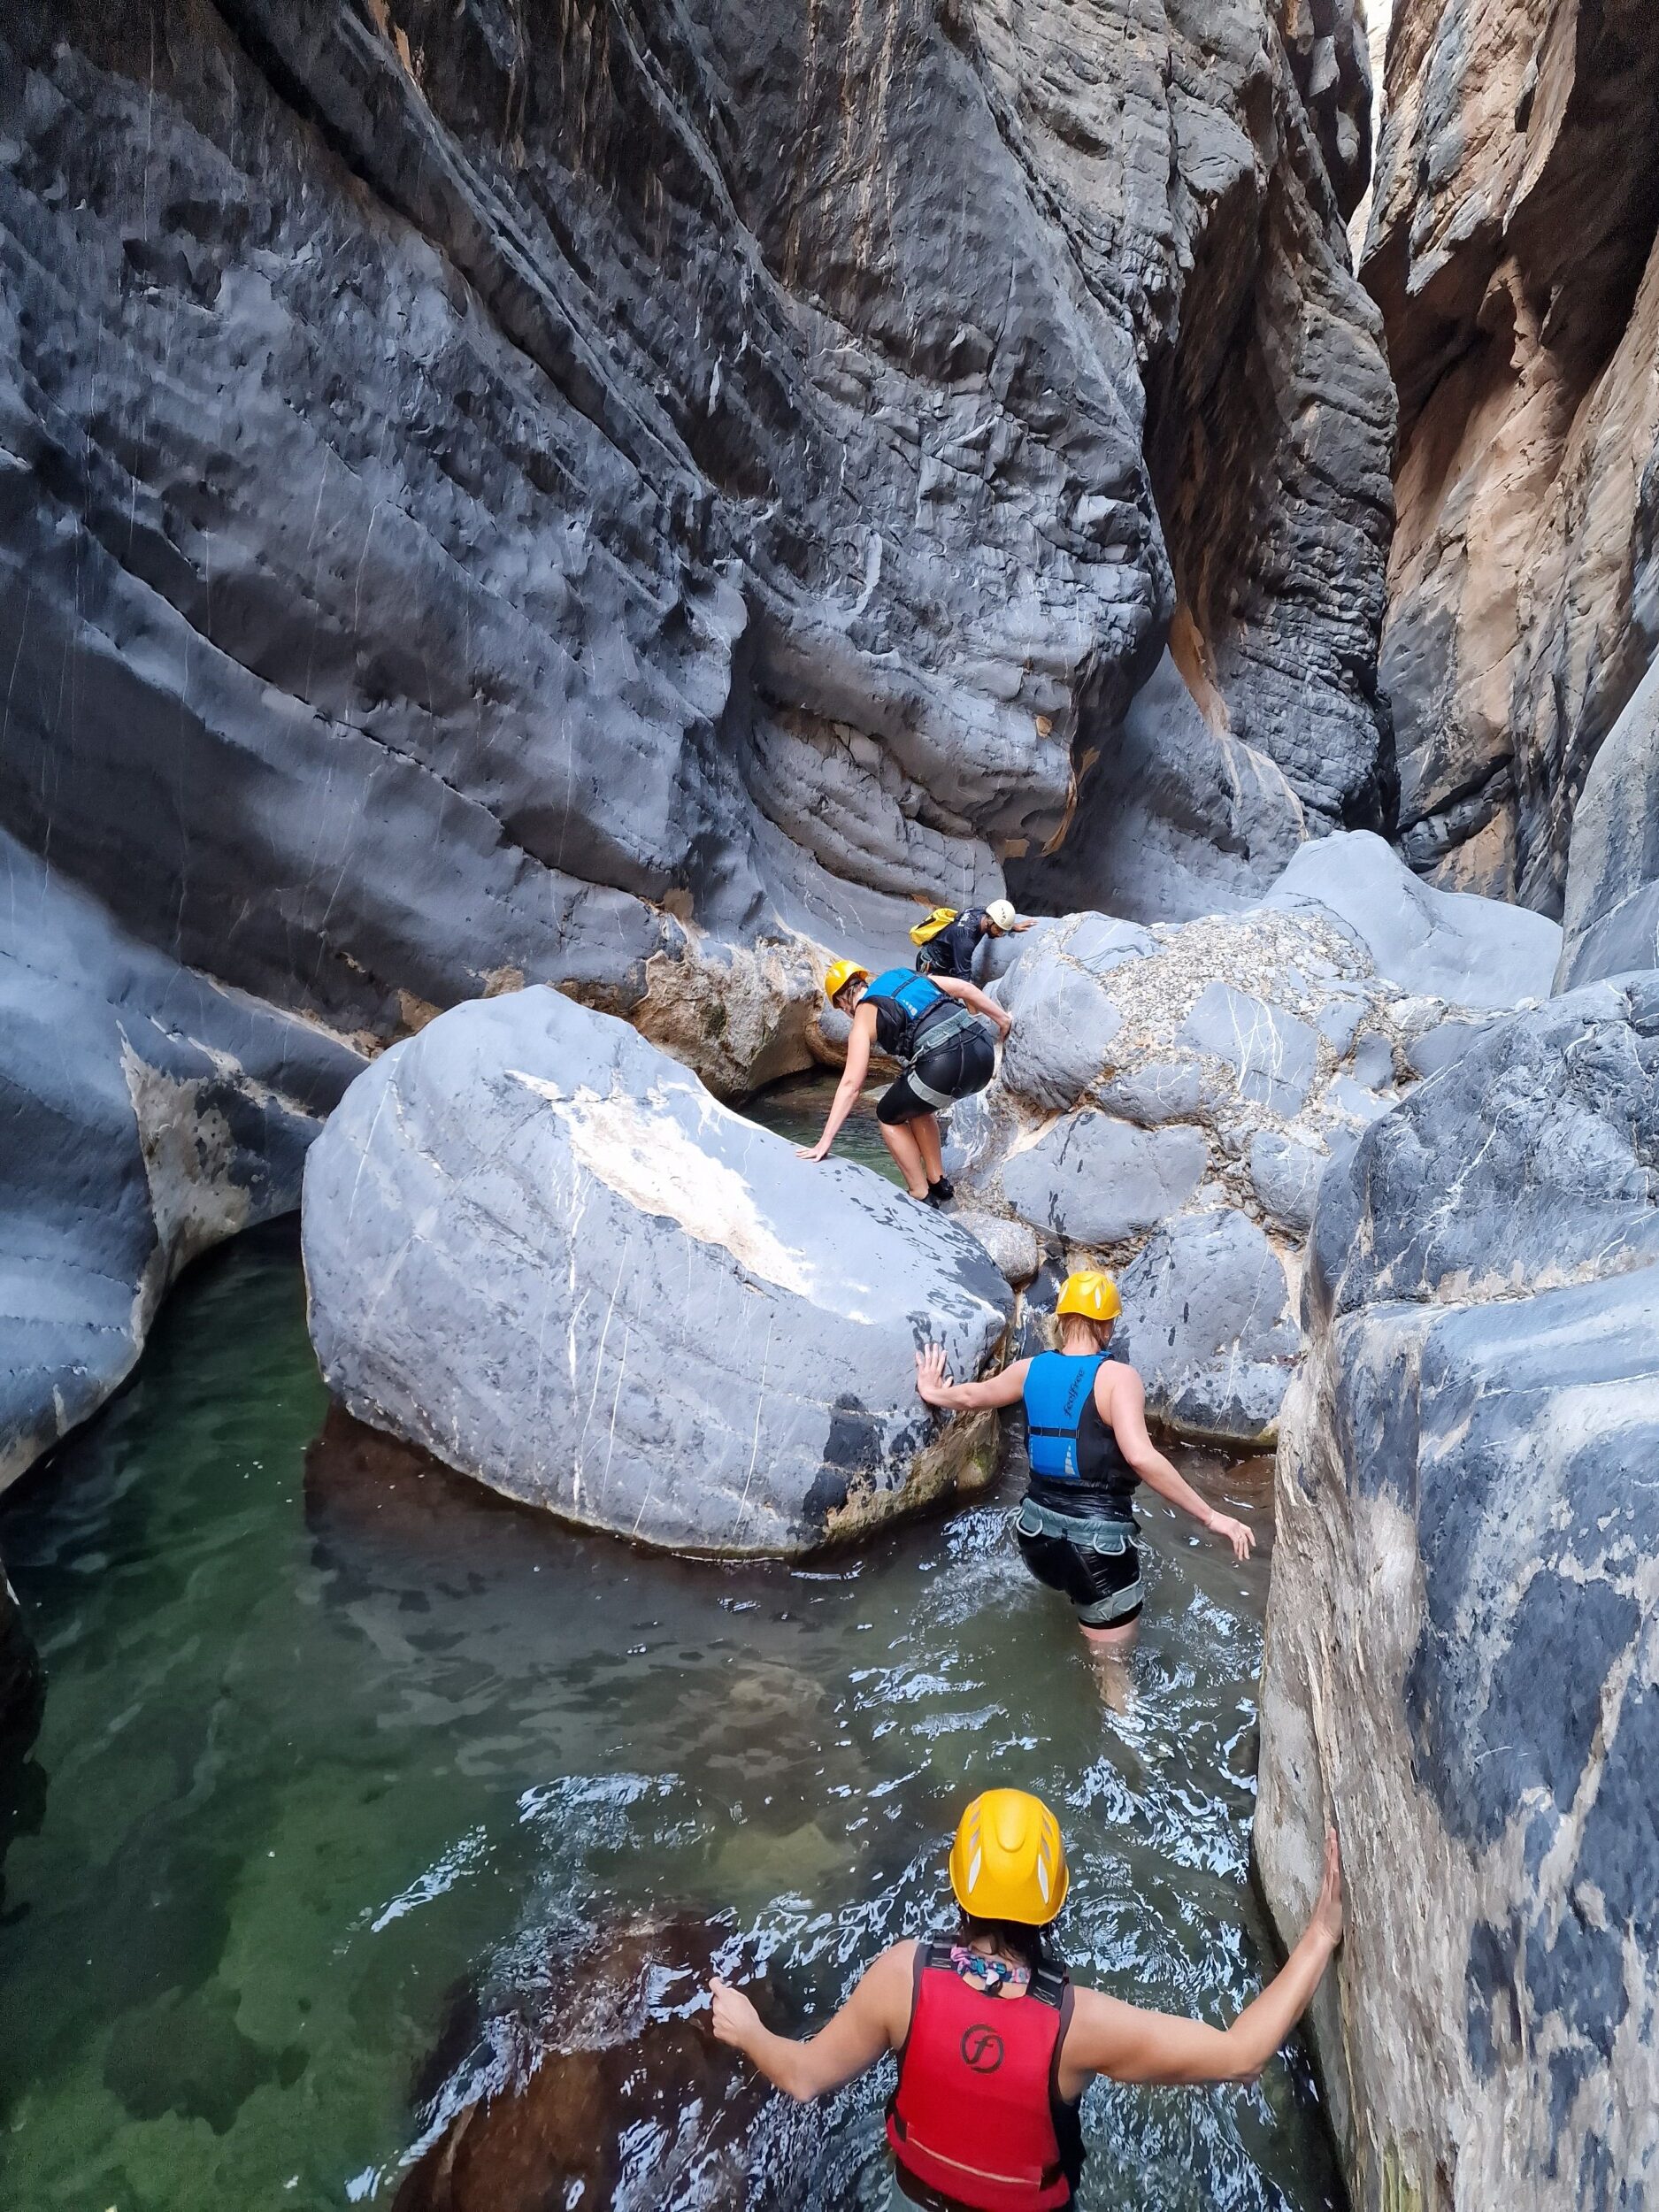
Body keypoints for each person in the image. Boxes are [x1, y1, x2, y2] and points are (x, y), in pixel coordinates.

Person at [710, 1786, 1344, 2212]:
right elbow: (1240, 2055)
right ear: (1054, 1903)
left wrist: (748, 2030)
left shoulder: (900, 1977)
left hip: (915, 2196)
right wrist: (1319, 1936)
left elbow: (802, 2077)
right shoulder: (1078, 2025)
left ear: (957, 1889)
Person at [914, 1271, 1255, 1646]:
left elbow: (971, 1397)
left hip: (1035, 1538)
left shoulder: (1028, 1369)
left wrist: (932, 1390)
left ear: (1061, 1320)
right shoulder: (1119, 1378)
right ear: (1107, 1326)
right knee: (1114, 1669)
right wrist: (1211, 1516)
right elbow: (1140, 1457)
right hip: (1098, 1550)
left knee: (1072, 1588)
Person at [801, 959, 1012, 1204]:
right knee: (915, 1105)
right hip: (983, 1055)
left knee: (888, 1114)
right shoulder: (904, 976)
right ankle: (938, 1182)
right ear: (862, 980)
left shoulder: (863, 1016)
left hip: (944, 1065)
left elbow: (851, 1085)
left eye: (840, 1007)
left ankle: (919, 1193)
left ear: (842, 1002)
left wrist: (825, 1141)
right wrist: (1002, 1020)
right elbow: (965, 989)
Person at [915, 897, 1035, 982]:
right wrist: (971, 1011)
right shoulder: (966, 940)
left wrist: (1012, 926)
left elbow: (996, 917)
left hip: (947, 963)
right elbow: (964, 982)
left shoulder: (980, 912)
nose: (1000, 935)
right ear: (990, 922)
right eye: (999, 929)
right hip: (933, 965)